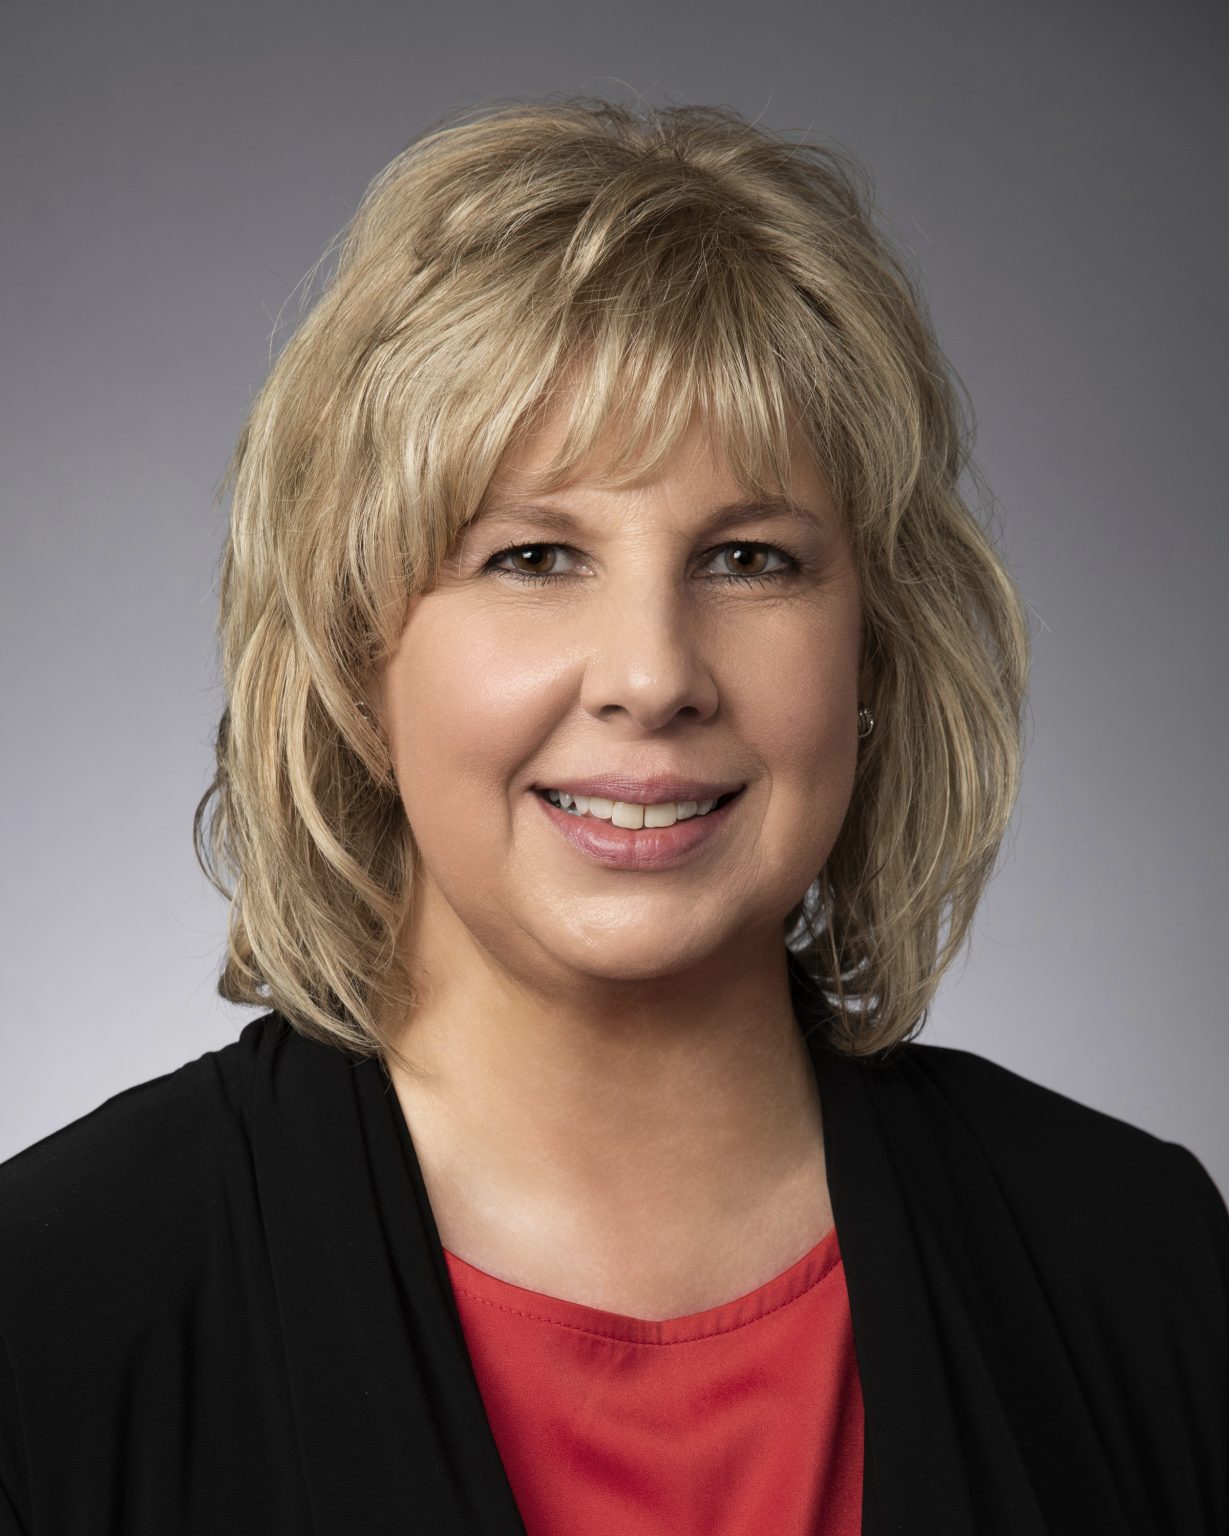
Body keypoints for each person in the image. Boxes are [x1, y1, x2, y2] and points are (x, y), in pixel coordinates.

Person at [0, 95, 1224, 1536]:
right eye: (532, 556)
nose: (653, 676)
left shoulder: (1140, 1266)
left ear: (875, 652)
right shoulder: (52, 1317)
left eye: (750, 559)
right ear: (351, 656)